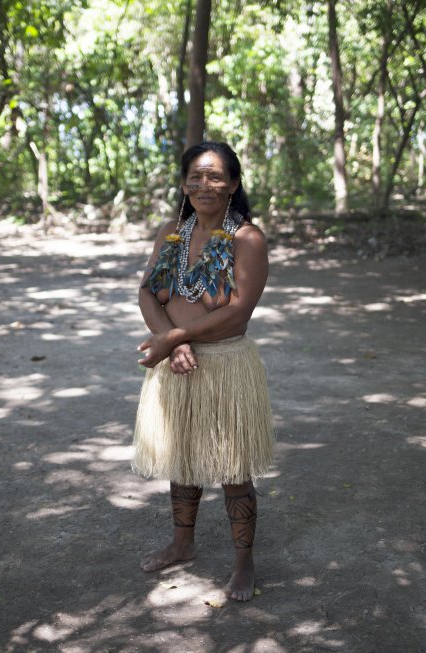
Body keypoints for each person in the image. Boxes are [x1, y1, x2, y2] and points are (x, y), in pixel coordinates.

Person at [132, 141, 274, 602]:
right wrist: (172, 341)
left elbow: (238, 312)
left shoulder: (246, 238)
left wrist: (173, 339)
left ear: (233, 184)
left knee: (234, 469)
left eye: (215, 176)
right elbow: (149, 292)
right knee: (183, 458)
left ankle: (243, 562)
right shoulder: (172, 231)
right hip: (177, 360)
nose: (204, 184)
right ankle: (182, 542)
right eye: (195, 175)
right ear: (184, 183)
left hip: (224, 363)